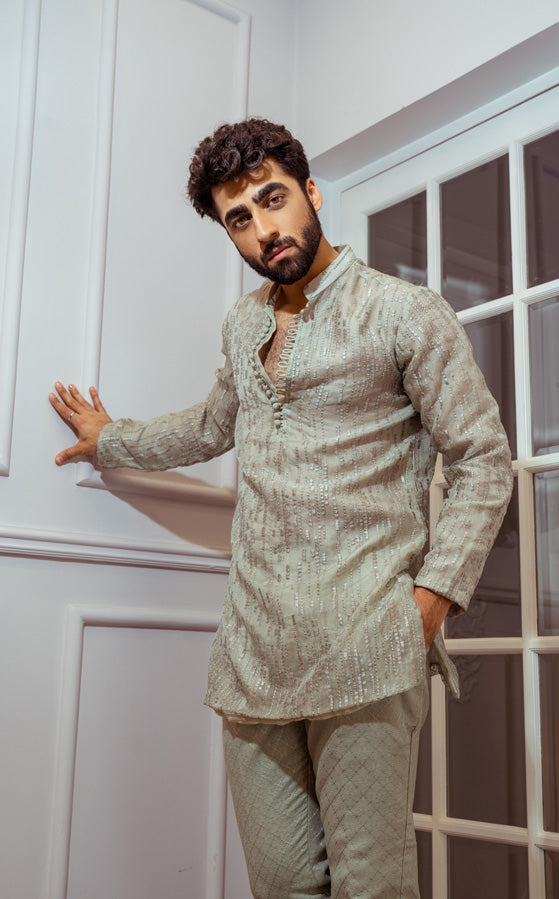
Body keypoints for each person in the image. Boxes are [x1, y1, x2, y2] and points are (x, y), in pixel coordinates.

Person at [49, 118, 513, 898]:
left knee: (371, 885)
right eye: (239, 217)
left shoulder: (404, 311)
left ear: (310, 191)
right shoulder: (243, 324)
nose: (263, 229)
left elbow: (483, 460)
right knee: (281, 883)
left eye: (272, 199)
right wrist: (110, 440)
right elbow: (210, 425)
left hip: (367, 641)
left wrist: (430, 601)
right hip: (253, 652)